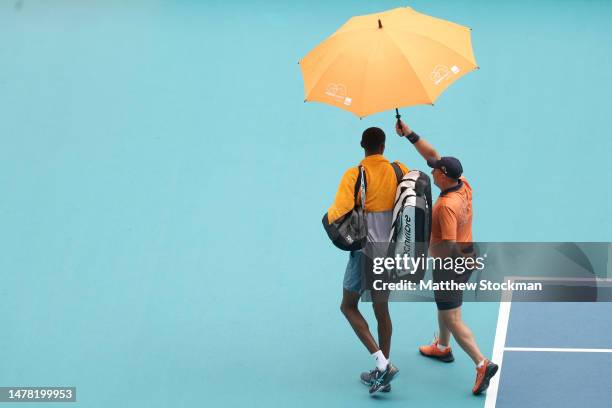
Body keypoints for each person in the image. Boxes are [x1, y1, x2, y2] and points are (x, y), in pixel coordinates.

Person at [395, 119, 499, 395]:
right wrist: (410, 134)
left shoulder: (445, 207)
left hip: (451, 264)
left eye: (436, 171)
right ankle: (442, 347)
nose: (433, 171)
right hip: (466, 256)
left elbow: (450, 245)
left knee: (453, 317)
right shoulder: (463, 184)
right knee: (446, 308)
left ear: (443, 175)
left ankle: (481, 363)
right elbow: (432, 156)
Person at [327, 127, 409, 394]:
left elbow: (338, 212)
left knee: (348, 306)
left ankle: (382, 365)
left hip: (364, 255)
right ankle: (383, 371)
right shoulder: (400, 170)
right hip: (390, 253)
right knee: (381, 311)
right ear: (384, 146)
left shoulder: (354, 175)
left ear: (362, 144)